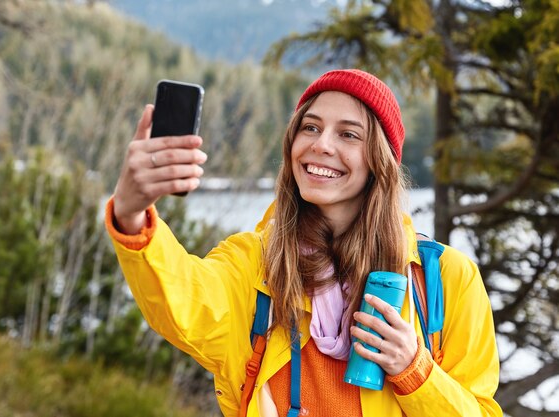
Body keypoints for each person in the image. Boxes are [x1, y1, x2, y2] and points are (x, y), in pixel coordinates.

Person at [104, 69, 503, 417]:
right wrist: (131, 215)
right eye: (310, 127)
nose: (321, 145)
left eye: (348, 134)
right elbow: (184, 301)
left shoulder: (443, 279)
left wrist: (415, 369)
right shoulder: (255, 262)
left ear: (380, 160)